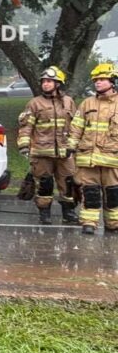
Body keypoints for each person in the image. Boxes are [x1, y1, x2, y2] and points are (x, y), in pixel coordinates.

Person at [16, 66, 78, 225]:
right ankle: (45, 214)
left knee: (69, 184)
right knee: (45, 185)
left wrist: (74, 145)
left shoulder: (69, 102)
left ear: (58, 83)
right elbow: (26, 127)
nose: (45, 84)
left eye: (49, 81)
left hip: (65, 153)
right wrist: (24, 145)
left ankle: (69, 213)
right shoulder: (34, 103)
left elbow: (76, 126)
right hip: (41, 153)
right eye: (44, 81)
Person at [69, 63, 118, 234]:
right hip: (88, 157)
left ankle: (113, 223)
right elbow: (76, 127)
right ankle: (89, 222)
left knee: (113, 193)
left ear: (112, 81)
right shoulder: (87, 103)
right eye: (96, 80)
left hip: (112, 158)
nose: (98, 82)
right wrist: (71, 146)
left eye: (102, 79)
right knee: (90, 192)